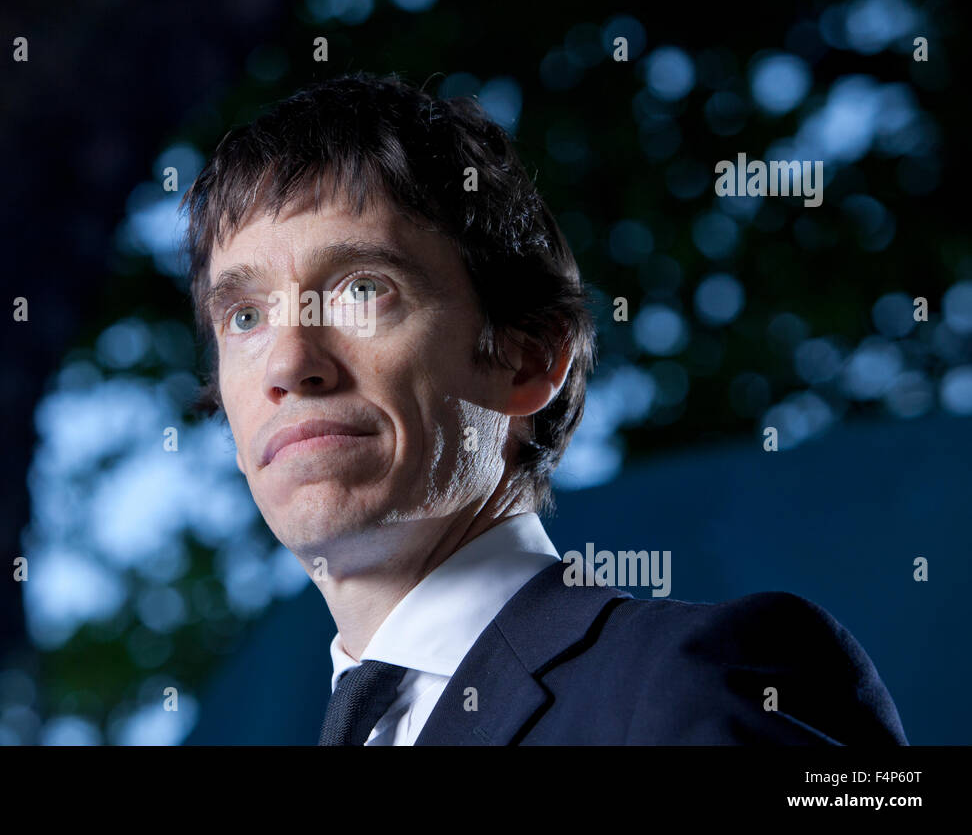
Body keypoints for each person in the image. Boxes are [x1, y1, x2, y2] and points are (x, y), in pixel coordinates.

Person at [178, 71, 907, 745]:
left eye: (363, 290)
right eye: (244, 317)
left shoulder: (692, 683)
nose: (288, 363)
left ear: (528, 360)